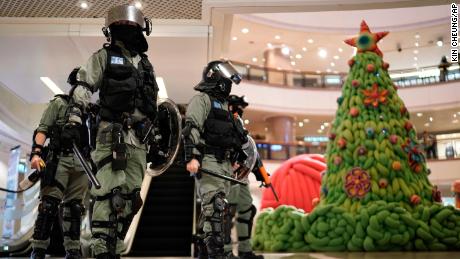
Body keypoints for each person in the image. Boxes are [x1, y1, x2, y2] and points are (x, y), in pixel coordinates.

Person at [65, 4, 159, 258]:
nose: (128, 29)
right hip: (111, 136)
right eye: (122, 26)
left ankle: (115, 250)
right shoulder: (102, 57)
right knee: (110, 196)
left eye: (132, 26)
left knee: (130, 201)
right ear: (111, 29)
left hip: (140, 142)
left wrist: (159, 139)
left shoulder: (146, 66)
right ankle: (100, 252)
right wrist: (73, 120)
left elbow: (154, 106)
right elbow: (84, 85)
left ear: (141, 29)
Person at [184, 60, 247, 259]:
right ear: (214, 76)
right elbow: (191, 127)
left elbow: (235, 137)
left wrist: (237, 158)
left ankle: (204, 250)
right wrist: (192, 156)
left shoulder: (226, 106)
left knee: (218, 212)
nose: (228, 81)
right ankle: (215, 255)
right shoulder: (201, 100)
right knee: (216, 209)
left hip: (226, 165)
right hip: (209, 161)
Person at [29, 68, 90, 259]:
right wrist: (36, 153)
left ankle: (73, 249)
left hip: (81, 164)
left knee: (75, 208)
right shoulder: (59, 103)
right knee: (48, 205)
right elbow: (43, 128)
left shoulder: (90, 110)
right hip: (59, 160)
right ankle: (38, 249)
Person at [224, 95, 264, 259]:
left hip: (242, 176)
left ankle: (245, 250)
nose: (241, 110)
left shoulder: (238, 123)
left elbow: (248, 150)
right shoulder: (223, 122)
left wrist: (260, 172)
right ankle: (225, 251)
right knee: (226, 212)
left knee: (247, 210)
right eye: (238, 107)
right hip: (227, 174)